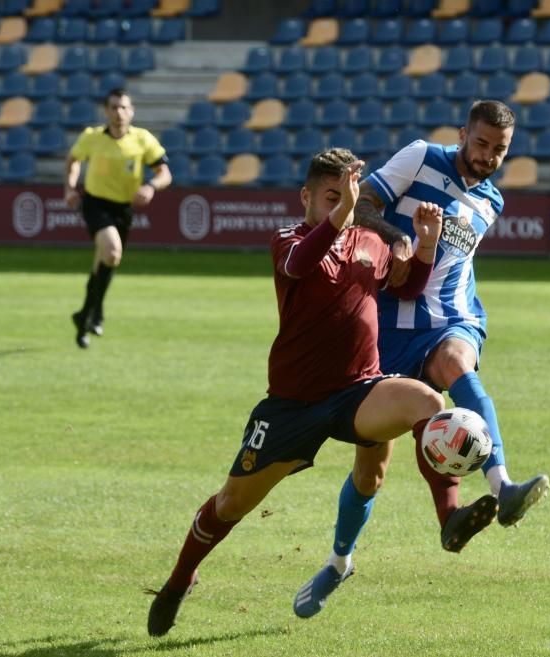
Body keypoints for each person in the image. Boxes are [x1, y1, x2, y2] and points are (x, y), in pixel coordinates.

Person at [146, 148, 446, 637]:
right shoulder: (288, 240)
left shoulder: (370, 241)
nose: (341, 204)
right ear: (307, 196)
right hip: (293, 404)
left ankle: (448, 516)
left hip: (358, 389)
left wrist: (426, 247)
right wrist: (345, 211)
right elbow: (303, 264)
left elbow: (406, 289)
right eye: (332, 196)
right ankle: (180, 579)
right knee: (230, 505)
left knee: (429, 404)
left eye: (347, 194)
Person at [293, 100, 550, 618]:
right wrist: (401, 240)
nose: (487, 157)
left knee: (456, 372)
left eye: (499, 150)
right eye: (480, 144)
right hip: (386, 326)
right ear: (463, 134)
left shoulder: (492, 201)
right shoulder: (420, 156)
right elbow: (361, 205)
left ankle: (501, 489)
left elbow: (460, 262)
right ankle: (340, 563)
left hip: (449, 320)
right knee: (370, 470)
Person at [64, 88, 171, 349]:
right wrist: (69, 187)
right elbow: (73, 160)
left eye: (124, 107)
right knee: (112, 252)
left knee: (104, 262)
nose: (119, 112)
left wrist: (151, 186)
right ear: (106, 111)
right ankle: (96, 310)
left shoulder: (142, 139)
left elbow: (165, 173)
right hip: (95, 203)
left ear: (131, 111)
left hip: (123, 209)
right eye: (113, 107)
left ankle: (84, 315)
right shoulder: (92, 137)